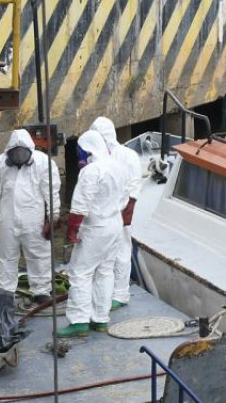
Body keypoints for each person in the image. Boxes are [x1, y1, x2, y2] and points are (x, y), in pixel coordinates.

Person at [57, 130, 130, 337]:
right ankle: (100, 318)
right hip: (115, 222)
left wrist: (72, 231)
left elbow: (80, 205)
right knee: (105, 271)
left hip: (96, 226)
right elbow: (125, 197)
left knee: (80, 272)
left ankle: (79, 321)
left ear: (87, 149)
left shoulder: (91, 171)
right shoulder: (119, 167)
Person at [0, 129, 60, 304]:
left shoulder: (43, 163)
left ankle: (41, 290)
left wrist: (53, 215)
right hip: (5, 220)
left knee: (39, 255)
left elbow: (51, 191)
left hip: (34, 219)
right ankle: (4, 291)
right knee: (5, 257)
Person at [89, 116, 144, 310]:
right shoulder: (95, 156)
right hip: (101, 213)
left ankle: (120, 294)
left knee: (121, 251)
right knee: (101, 253)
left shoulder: (127, 156)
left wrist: (127, 213)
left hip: (119, 211)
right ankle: (103, 291)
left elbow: (134, 187)